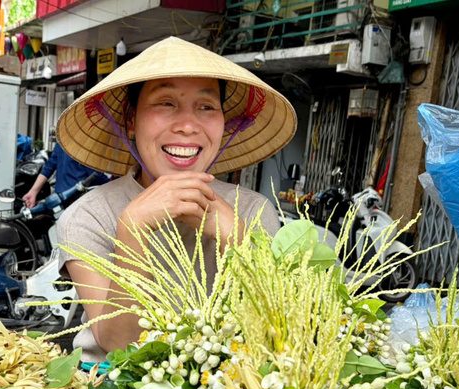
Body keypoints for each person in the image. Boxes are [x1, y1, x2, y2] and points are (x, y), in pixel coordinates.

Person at [55, 37, 297, 362]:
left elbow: (273, 336)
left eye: (206, 107)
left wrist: (237, 239)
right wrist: (132, 231)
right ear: (131, 119)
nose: (186, 126)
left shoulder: (253, 212)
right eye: (165, 103)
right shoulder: (88, 218)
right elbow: (120, 344)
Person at [22, 141, 109, 208]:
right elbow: (95, 175)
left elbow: (49, 167)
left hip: (60, 198)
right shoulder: (87, 143)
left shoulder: (62, 140)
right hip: (78, 199)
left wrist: (33, 192)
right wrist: (115, 183)